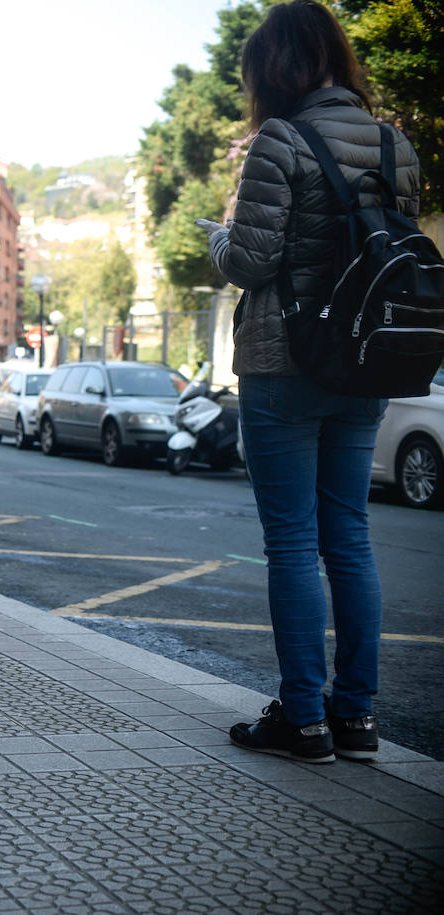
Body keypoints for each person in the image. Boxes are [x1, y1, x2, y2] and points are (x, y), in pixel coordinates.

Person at [203, 0, 420, 764]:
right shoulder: (397, 145)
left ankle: (303, 718)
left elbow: (252, 263)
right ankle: (356, 716)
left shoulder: (280, 141)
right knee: (350, 540)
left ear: (276, 68)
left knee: (292, 545)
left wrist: (220, 238)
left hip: (284, 363)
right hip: (368, 362)